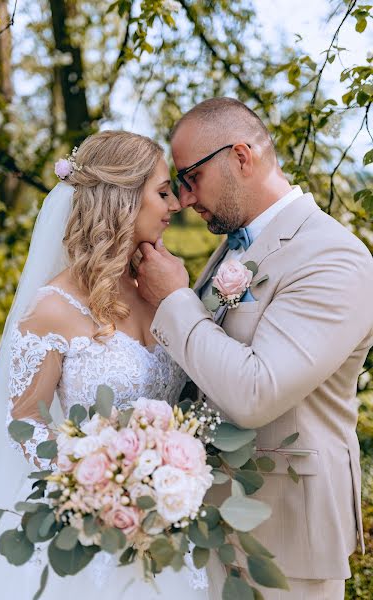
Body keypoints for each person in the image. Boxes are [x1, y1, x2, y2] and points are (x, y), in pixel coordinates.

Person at [136, 97, 373, 599]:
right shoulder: (233, 245)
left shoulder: (335, 258)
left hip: (285, 538)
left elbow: (256, 394)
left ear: (241, 157)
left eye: (190, 177)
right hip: (208, 526)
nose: (181, 199)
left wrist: (175, 300)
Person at [0, 130, 216, 599]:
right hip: (90, 526)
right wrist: (98, 482)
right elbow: (23, 421)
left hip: (165, 522)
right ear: (122, 198)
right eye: (162, 192)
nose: (176, 204)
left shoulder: (162, 288)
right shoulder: (54, 307)